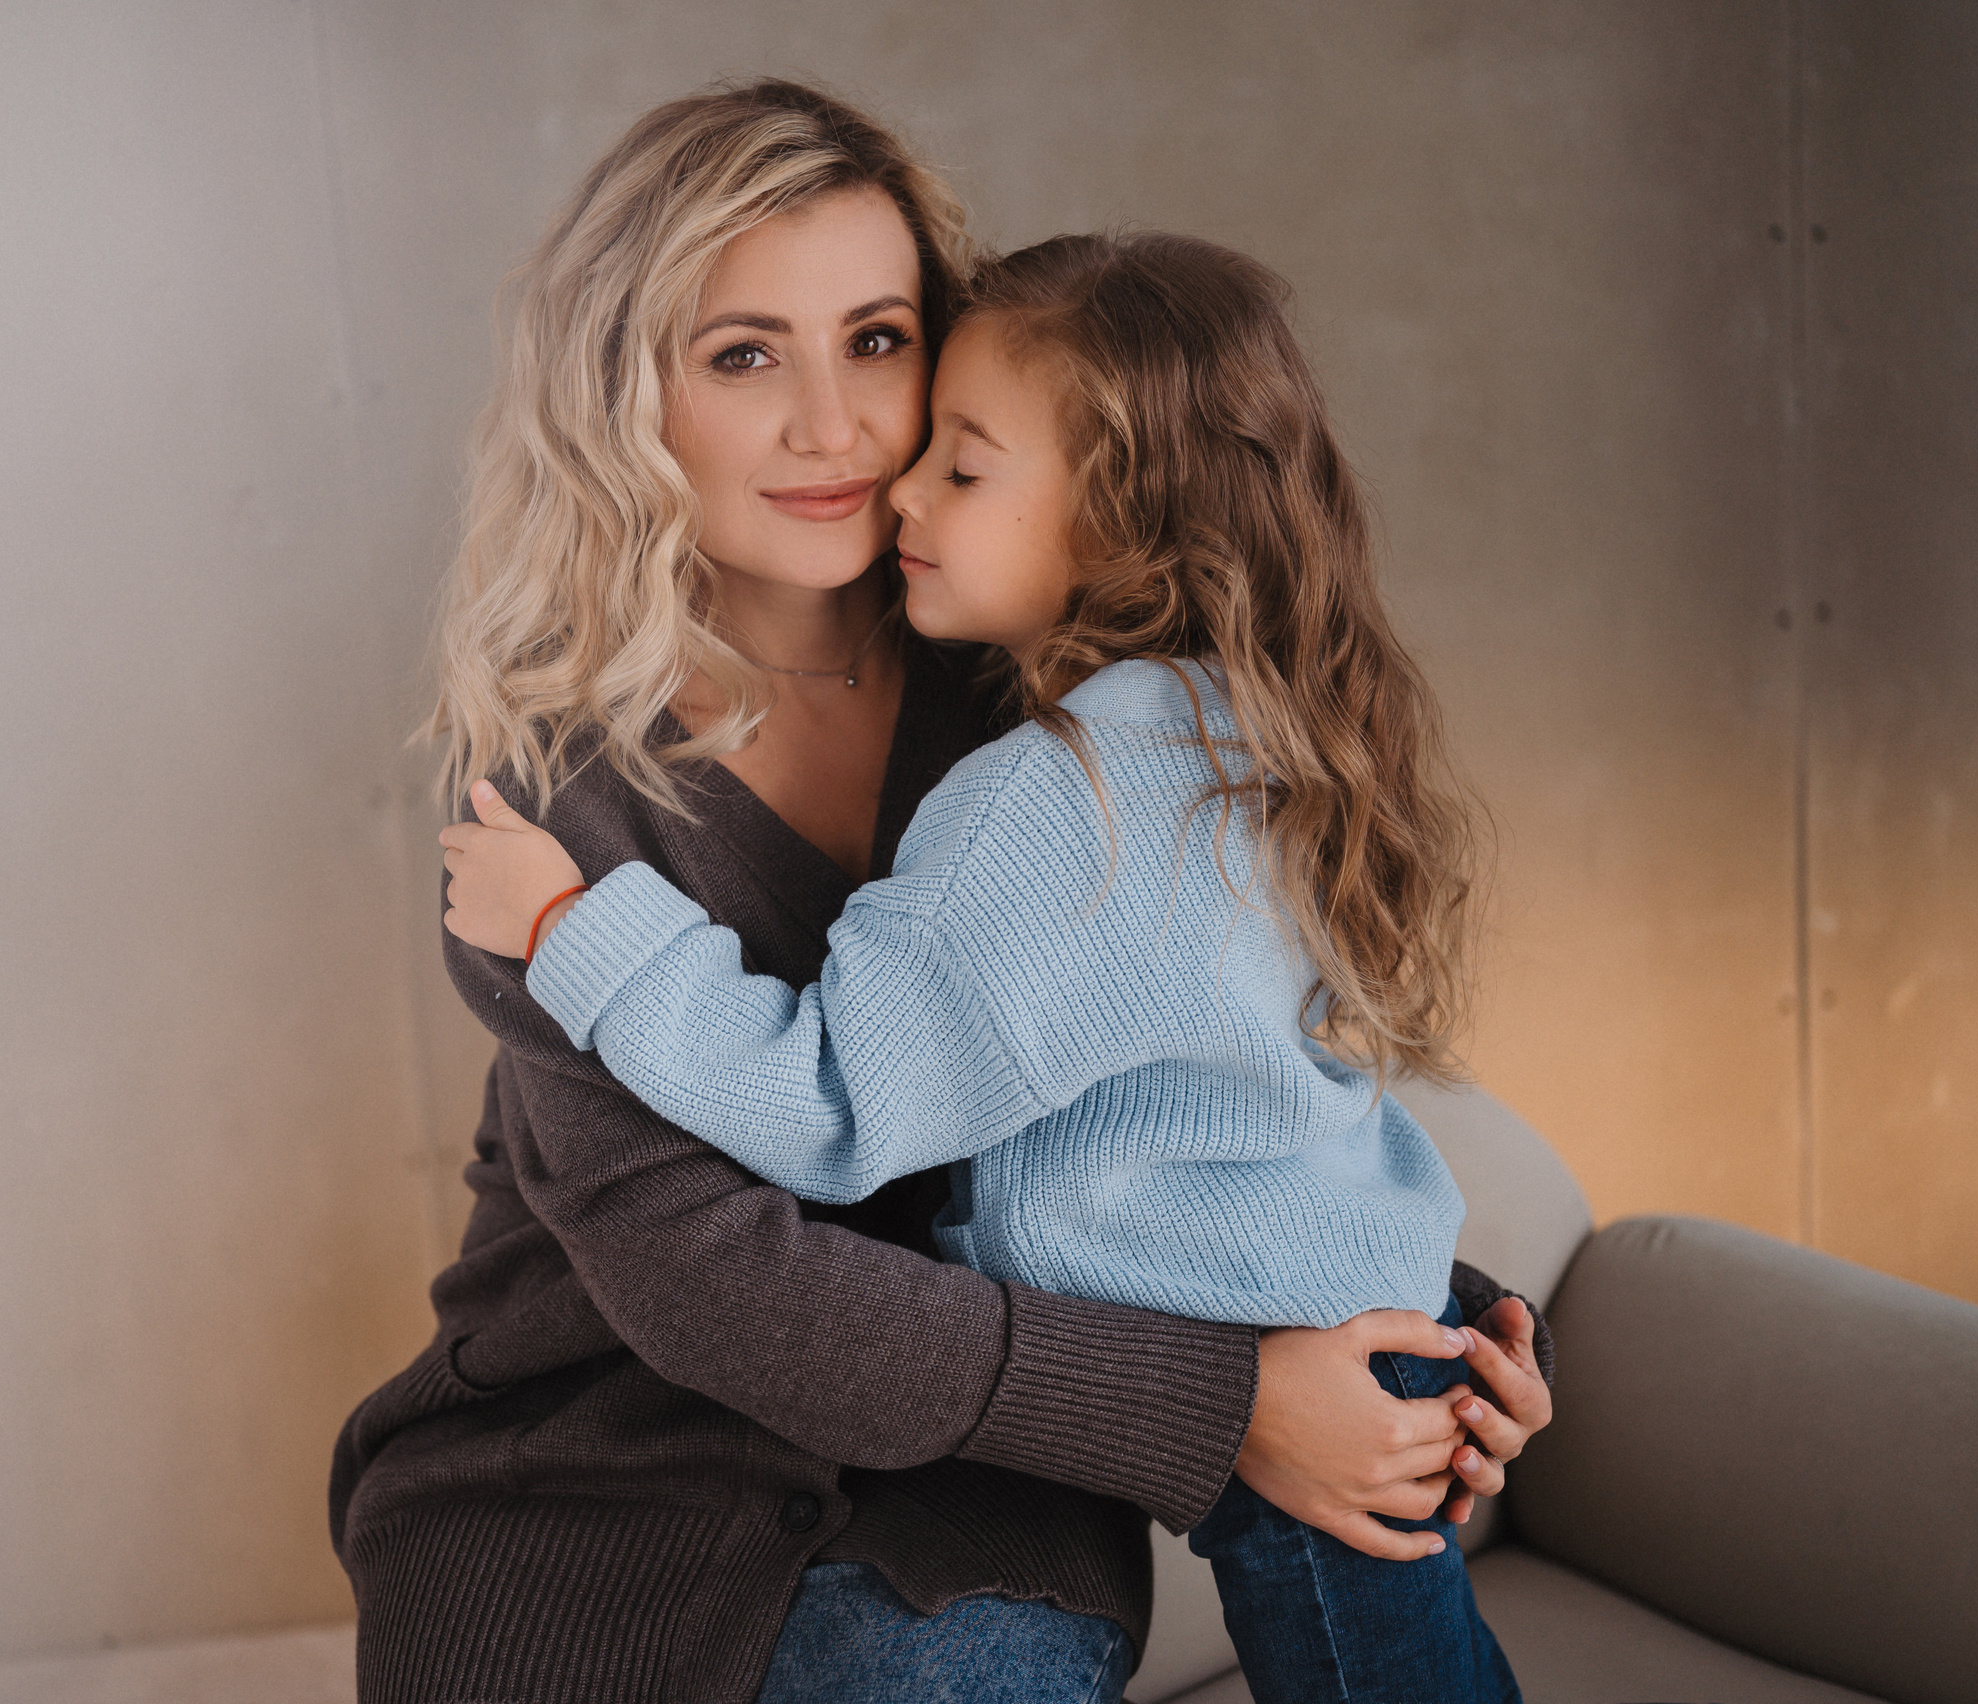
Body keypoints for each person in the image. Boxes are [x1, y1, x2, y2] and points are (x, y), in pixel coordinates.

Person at [340, 81, 1551, 1704]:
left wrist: (1423, 1349)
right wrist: (1232, 1402)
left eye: (881, 340)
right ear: (629, 396)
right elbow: (717, 1281)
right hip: (600, 1469)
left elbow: (1212, 1081)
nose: (834, 428)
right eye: (745, 353)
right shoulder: (545, 796)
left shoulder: (1045, 685)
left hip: (973, 1482)